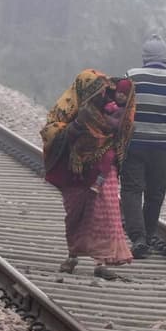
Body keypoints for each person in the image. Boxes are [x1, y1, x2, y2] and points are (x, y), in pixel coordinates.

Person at [40, 70, 137, 279]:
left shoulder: (110, 108)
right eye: (95, 90)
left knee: (104, 213)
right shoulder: (66, 110)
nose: (101, 94)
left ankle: (101, 261)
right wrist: (76, 129)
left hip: (103, 170)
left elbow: (120, 132)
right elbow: (53, 133)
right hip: (74, 173)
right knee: (75, 214)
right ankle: (73, 255)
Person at [120, 34, 166, 259]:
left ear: (144, 58)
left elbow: (119, 106)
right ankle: (147, 238)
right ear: (165, 58)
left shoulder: (131, 76)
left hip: (134, 143)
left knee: (132, 189)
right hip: (161, 147)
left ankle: (137, 237)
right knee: (155, 192)